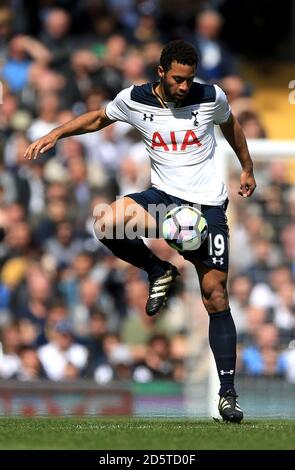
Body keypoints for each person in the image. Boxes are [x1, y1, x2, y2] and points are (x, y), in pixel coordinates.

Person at [24, 40, 256, 423]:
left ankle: (227, 394)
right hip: (163, 197)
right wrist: (56, 134)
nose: (184, 87)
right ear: (161, 73)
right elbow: (99, 117)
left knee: (215, 296)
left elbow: (231, 124)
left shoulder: (211, 96)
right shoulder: (135, 99)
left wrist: (246, 169)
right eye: (178, 79)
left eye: (189, 80)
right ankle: (157, 269)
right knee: (105, 221)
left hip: (207, 206)